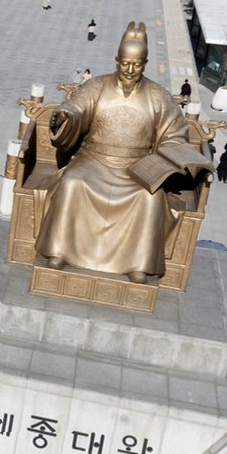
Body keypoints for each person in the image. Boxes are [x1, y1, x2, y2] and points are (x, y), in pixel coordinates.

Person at [35, 22, 206, 284]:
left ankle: (137, 263)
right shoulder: (97, 86)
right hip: (94, 158)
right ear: (117, 61)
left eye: (136, 65)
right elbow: (78, 107)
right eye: (125, 63)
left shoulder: (158, 96)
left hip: (136, 166)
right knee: (72, 183)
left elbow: (174, 134)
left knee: (148, 198)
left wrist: (170, 157)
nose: (130, 70)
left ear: (145, 64)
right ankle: (58, 251)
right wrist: (66, 115)